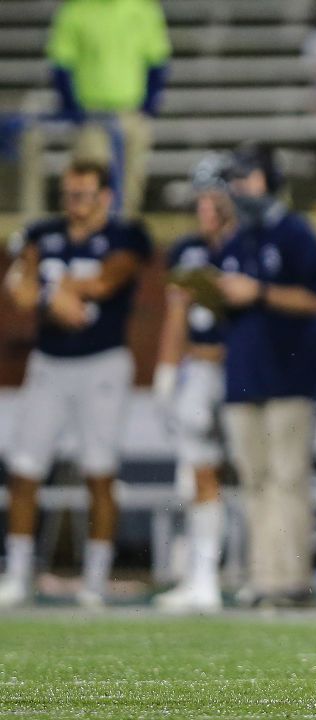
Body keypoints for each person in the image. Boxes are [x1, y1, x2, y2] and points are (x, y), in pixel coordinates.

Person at [0, 161, 153, 608]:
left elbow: (106, 282)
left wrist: (53, 283)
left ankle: (96, 578)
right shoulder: (42, 233)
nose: (75, 204)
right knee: (25, 469)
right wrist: (52, 294)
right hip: (50, 362)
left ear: (106, 196)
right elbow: (22, 295)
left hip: (102, 363)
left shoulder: (126, 235)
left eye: (84, 194)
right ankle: (18, 573)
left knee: (99, 471)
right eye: (69, 194)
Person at [214, 145, 316, 607]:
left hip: (290, 373)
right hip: (244, 375)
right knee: (254, 480)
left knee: (287, 478)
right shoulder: (237, 238)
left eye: (248, 178)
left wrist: (259, 292)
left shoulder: (296, 234)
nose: (239, 188)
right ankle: (264, 578)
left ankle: (292, 579)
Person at [151, 154, 238, 613]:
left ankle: (256, 575)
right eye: (202, 199)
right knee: (198, 473)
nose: (206, 207)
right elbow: (177, 315)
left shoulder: (246, 244)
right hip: (201, 372)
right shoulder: (187, 250)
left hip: (244, 372)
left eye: (214, 197)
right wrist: (165, 371)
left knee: (252, 477)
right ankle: (203, 577)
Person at [21, 0, 171, 218]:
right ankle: (86, 236)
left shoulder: (144, 9)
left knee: (132, 183)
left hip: (130, 112)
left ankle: (122, 237)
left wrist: (147, 107)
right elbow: (62, 63)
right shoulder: (75, 10)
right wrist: (75, 111)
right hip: (92, 115)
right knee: (89, 183)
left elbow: (157, 60)